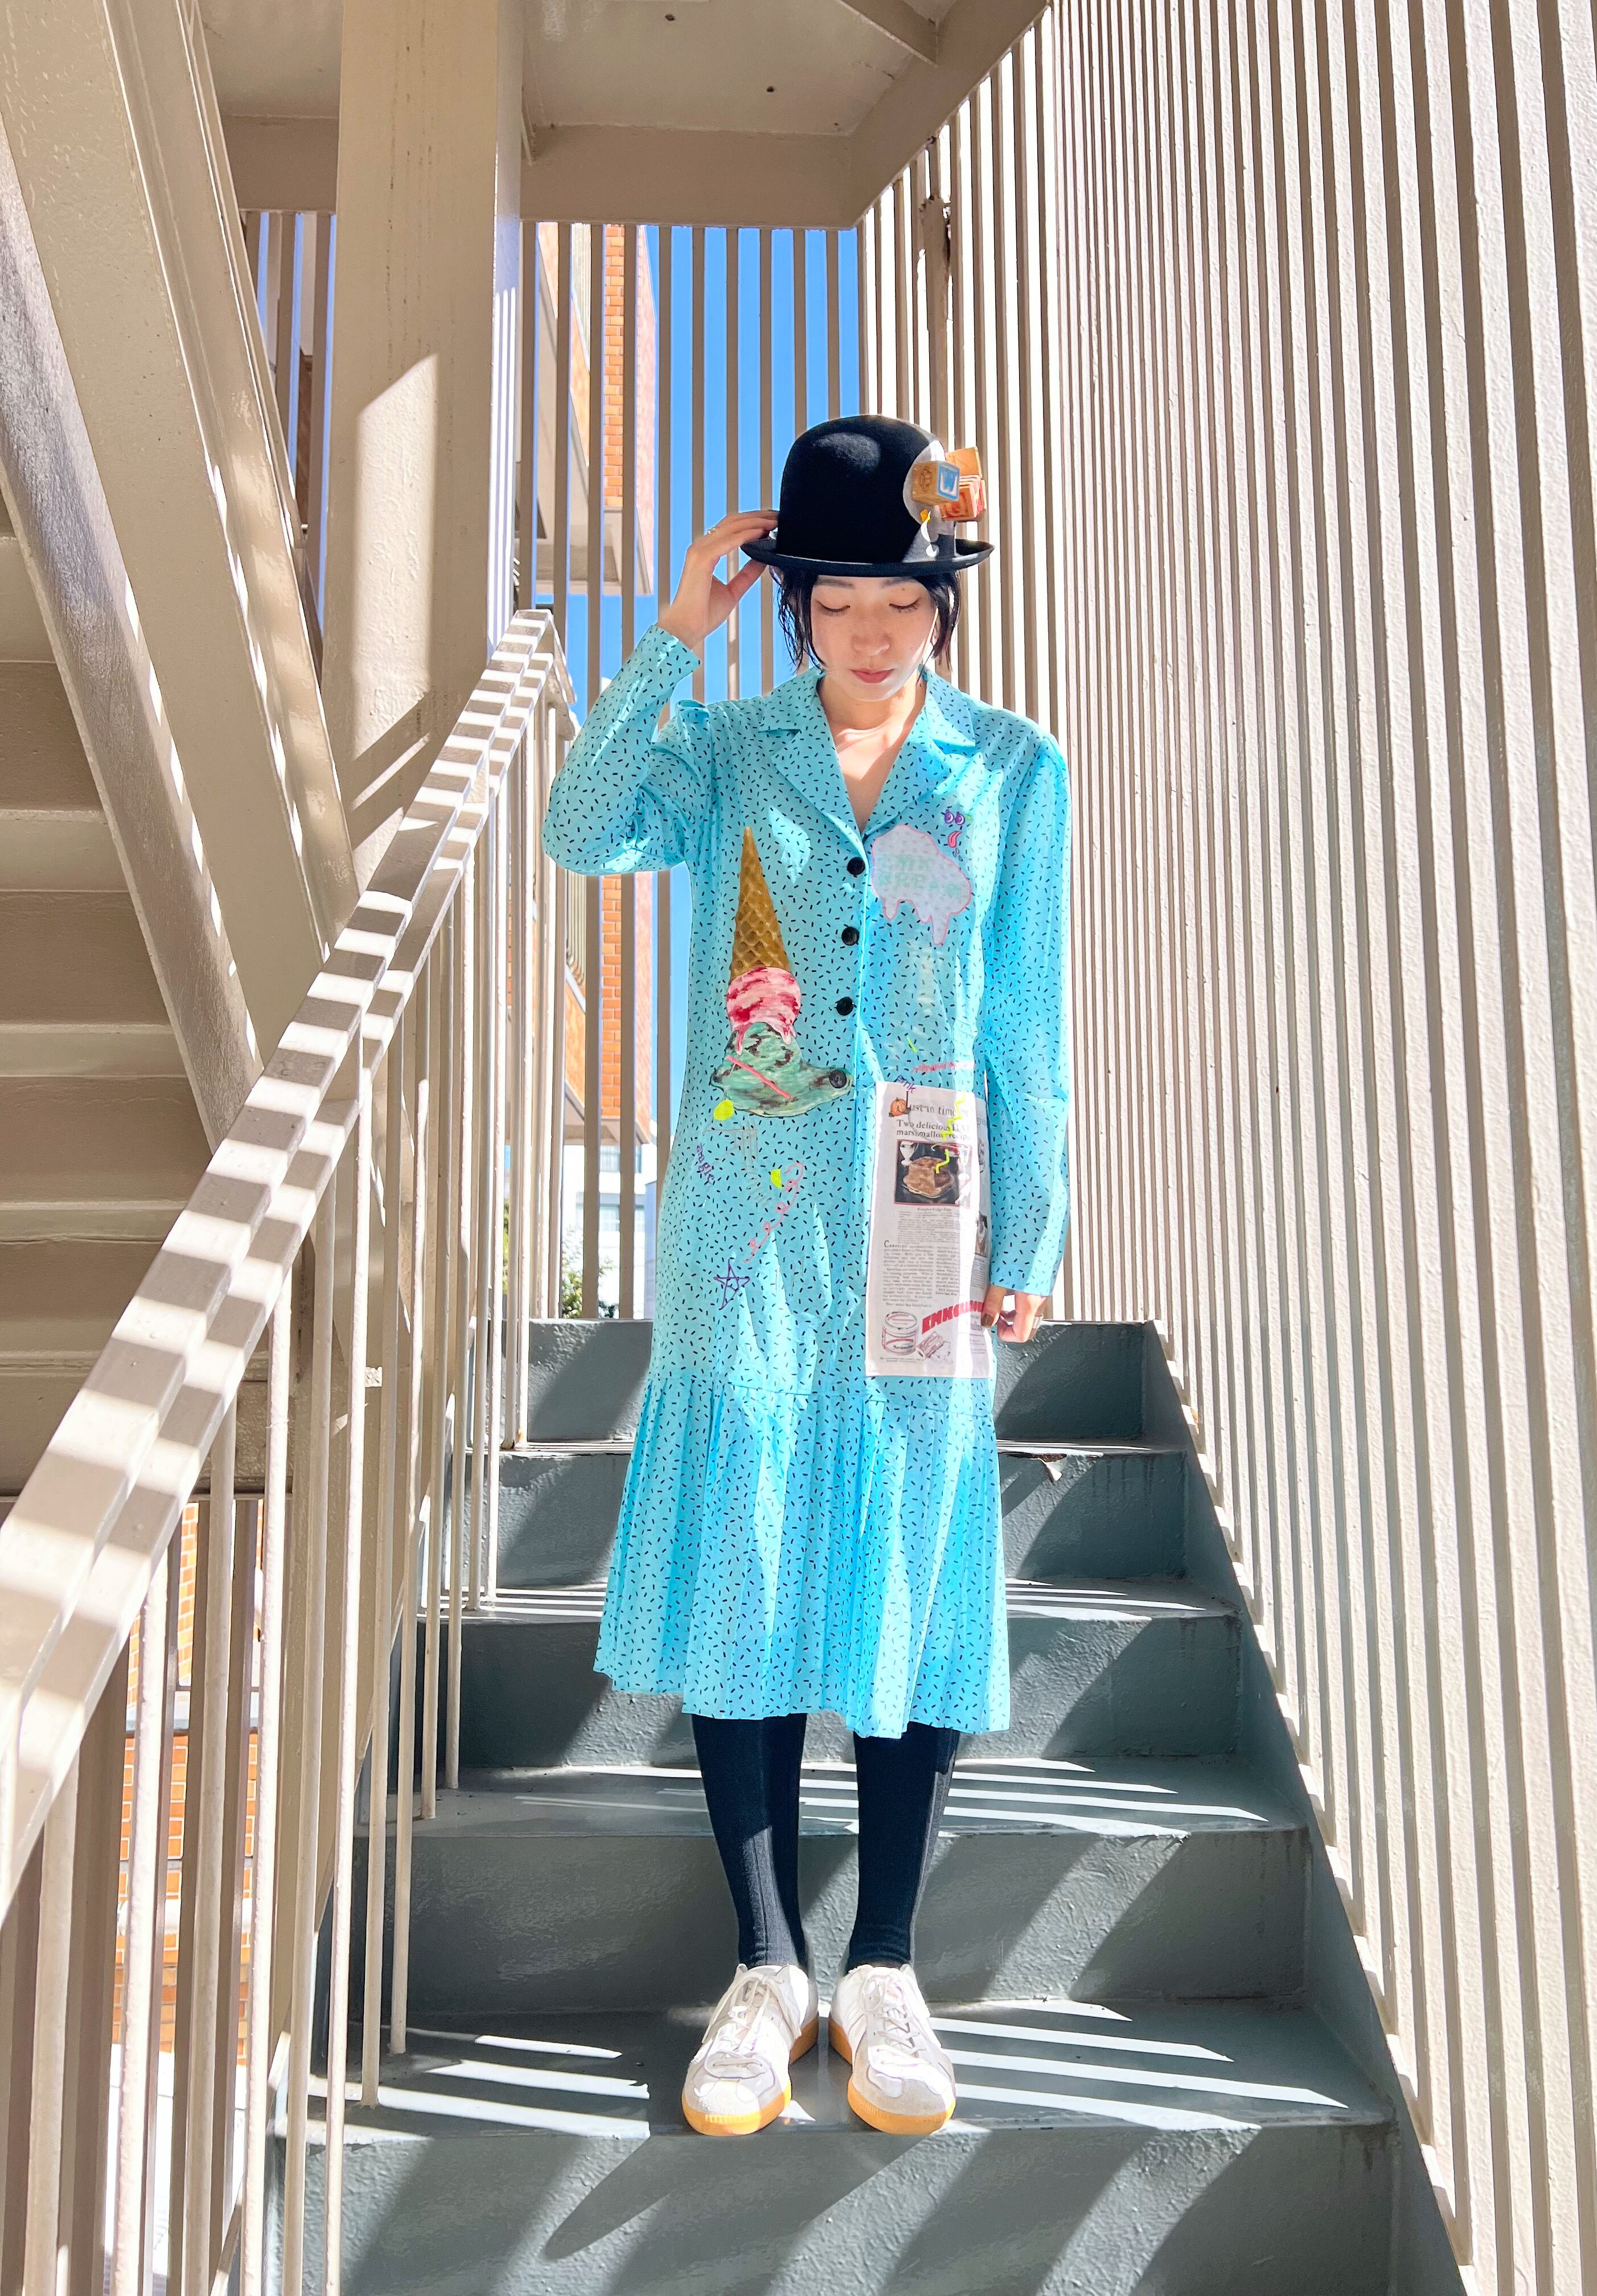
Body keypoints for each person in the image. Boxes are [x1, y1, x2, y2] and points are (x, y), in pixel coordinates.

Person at [541, 413, 1070, 2139]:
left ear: (944, 607)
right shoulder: (726, 754)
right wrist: (671, 635)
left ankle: (887, 1966)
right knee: (750, 1549)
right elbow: (580, 828)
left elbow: (1024, 1021)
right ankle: (768, 1968)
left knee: (909, 1541)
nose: (872, 630)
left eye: (904, 600)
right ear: (792, 604)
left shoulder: (1011, 772)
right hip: (747, 1195)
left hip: (923, 1193)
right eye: (837, 598)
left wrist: (1032, 1226)